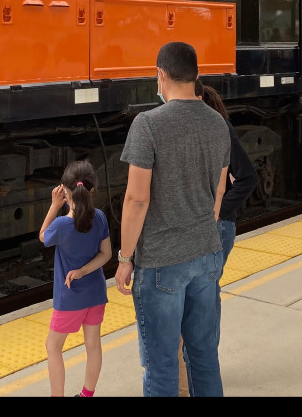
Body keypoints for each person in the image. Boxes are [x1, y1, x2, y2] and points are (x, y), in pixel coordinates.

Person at [114, 42, 230, 397]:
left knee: (162, 363)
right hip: (207, 255)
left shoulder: (148, 124)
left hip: (163, 261)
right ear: (196, 76)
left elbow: (136, 200)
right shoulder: (218, 123)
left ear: (160, 75)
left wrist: (124, 258)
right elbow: (219, 193)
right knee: (203, 355)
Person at [39, 160, 112, 398]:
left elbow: (42, 236)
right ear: (92, 190)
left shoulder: (61, 224)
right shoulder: (99, 217)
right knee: (93, 345)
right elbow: (106, 254)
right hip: (96, 294)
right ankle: (86, 395)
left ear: (65, 191)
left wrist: (53, 206)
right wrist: (83, 271)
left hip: (70, 298)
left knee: (53, 347)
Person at [194, 79, 259, 262]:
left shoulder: (220, 129)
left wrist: (219, 212)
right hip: (205, 226)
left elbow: (248, 177)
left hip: (218, 227)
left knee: (208, 288)